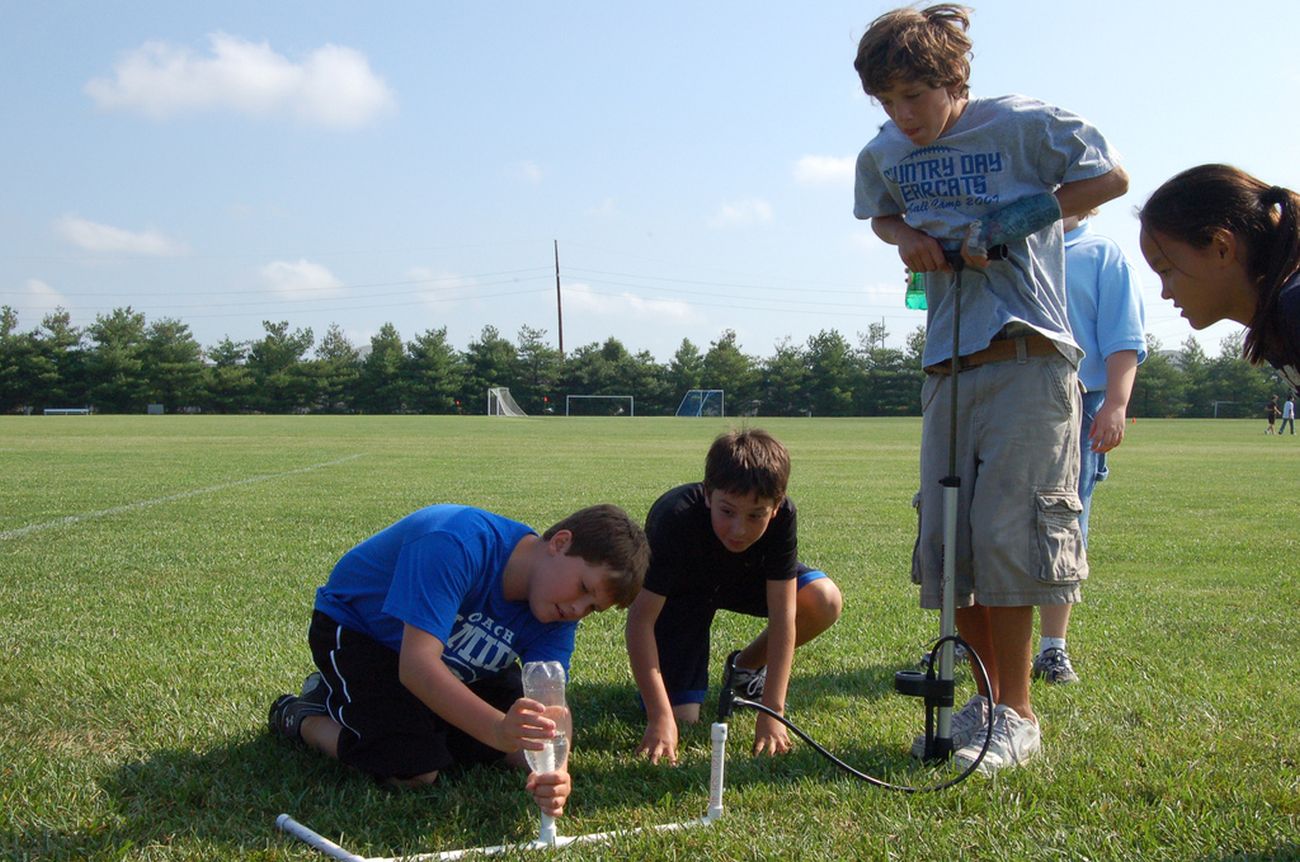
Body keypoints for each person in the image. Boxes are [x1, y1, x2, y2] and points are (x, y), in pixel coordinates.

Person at [853, 4, 1128, 773]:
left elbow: (1110, 176)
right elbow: (880, 217)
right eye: (886, 101)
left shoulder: (1023, 124)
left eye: (915, 96)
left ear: (955, 79)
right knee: (951, 546)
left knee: (1012, 537)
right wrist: (907, 238)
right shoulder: (883, 154)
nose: (902, 117)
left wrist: (1019, 216)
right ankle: (984, 700)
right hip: (946, 365)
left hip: (1026, 357)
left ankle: (1018, 713)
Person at [268, 503, 650, 817]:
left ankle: (416, 721)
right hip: (364, 634)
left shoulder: (555, 611)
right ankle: (305, 714)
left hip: (455, 658)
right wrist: (497, 729)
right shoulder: (456, 542)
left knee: (522, 753)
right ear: (560, 543)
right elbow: (416, 666)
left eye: (593, 608)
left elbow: (552, 705)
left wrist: (556, 772)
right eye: (584, 588)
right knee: (413, 769)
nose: (577, 609)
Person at [625, 428, 843, 765]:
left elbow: (783, 615)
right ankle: (674, 695)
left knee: (824, 599)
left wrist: (772, 712)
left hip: (744, 578)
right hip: (685, 594)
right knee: (683, 717)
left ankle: (744, 668)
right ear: (708, 494)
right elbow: (641, 619)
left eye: (756, 515)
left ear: (776, 506)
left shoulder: (784, 515)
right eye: (727, 511)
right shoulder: (675, 516)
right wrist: (659, 716)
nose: (739, 529)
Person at [1033, 212, 1147, 685]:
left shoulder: (1104, 256)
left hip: (1082, 400)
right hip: (1014, 396)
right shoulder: (1018, 249)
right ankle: (974, 641)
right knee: (991, 516)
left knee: (1064, 521)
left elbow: (1123, 338)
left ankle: (1052, 648)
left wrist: (1116, 404)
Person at [1138, 165, 1300, 398]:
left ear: (1221, 248)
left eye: (1166, 270)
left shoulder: (1294, 308)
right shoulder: (1279, 320)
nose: (1165, 293)